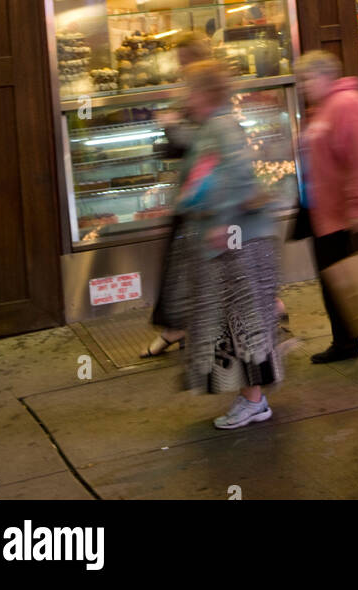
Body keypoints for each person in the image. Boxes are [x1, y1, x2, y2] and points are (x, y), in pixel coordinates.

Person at [158, 60, 284, 429]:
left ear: (205, 93)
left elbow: (238, 171)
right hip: (235, 240)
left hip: (238, 241)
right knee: (238, 322)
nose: (186, 97)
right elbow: (203, 160)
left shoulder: (222, 127)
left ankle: (254, 401)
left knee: (242, 322)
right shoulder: (213, 126)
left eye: (189, 90)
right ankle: (250, 397)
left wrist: (223, 221)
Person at [295, 51, 358, 362]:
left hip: (342, 213)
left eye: (306, 79)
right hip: (323, 210)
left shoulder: (345, 104)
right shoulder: (324, 107)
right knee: (333, 279)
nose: (302, 86)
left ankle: (349, 341)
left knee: (345, 279)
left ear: (324, 76)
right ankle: (345, 340)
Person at [142, 30, 211, 360]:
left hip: (205, 195)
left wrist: (171, 124)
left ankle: (178, 327)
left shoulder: (207, 90)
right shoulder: (191, 90)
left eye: (185, 60)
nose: (181, 67)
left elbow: (201, 141)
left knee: (186, 260)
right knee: (182, 259)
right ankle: (178, 326)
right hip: (194, 192)